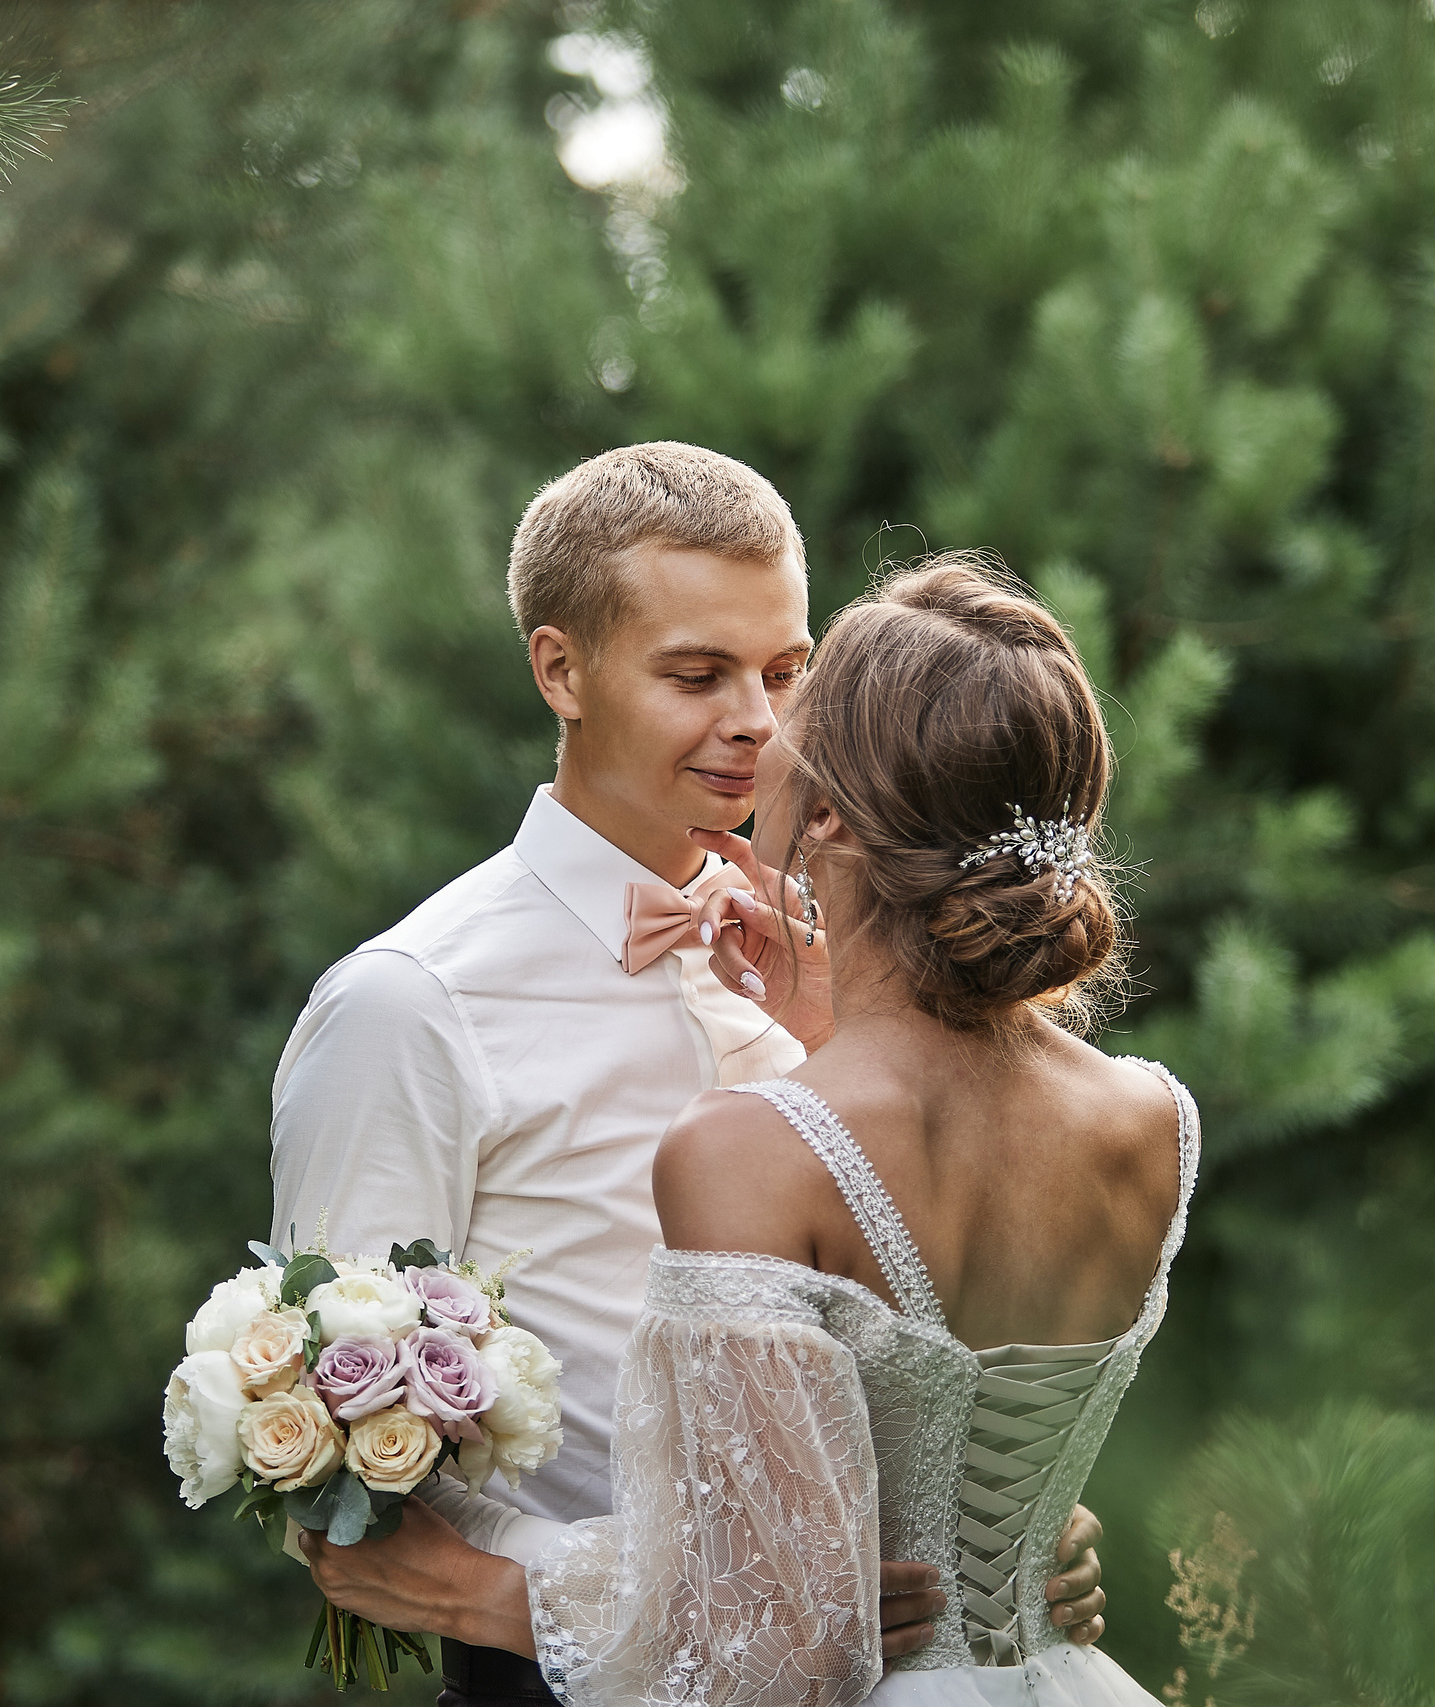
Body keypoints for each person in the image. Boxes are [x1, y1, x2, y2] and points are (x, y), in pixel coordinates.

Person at [271, 448, 1110, 1705]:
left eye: (786, 671)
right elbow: (340, 1479)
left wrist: (1004, 1522)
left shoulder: (853, 961)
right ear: (560, 670)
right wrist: (709, 1599)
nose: (758, 722)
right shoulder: (412, 1005)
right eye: (696, 675)